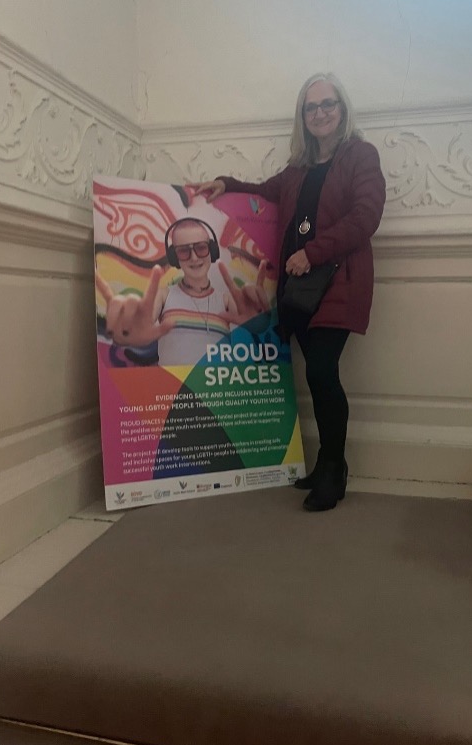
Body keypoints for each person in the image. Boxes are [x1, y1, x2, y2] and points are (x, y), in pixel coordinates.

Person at [195, 73, 386, 512]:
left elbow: (366, 216)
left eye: (327, 104)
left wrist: (311, 253)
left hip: (339, 281)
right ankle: (327, 464)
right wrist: (227, 184)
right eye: (311, 107)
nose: (320, 113)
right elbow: (264, 193)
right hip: (299, 289)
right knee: (316, 378)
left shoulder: (361, 155)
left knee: (321, 371)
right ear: (303, 116)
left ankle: (334, 469)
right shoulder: (299, 169)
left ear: (342, 109)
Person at [96, 217, 271, 367]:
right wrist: (129, 329)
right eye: (184, 251)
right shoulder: (164, 296)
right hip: (174, 391)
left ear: (212, 250)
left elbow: (260, 329)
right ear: (174, 257)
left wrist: (259, 320)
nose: (194, 257)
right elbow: (139, 326)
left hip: (218, 393)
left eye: (201, 248)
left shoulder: (226, 300)